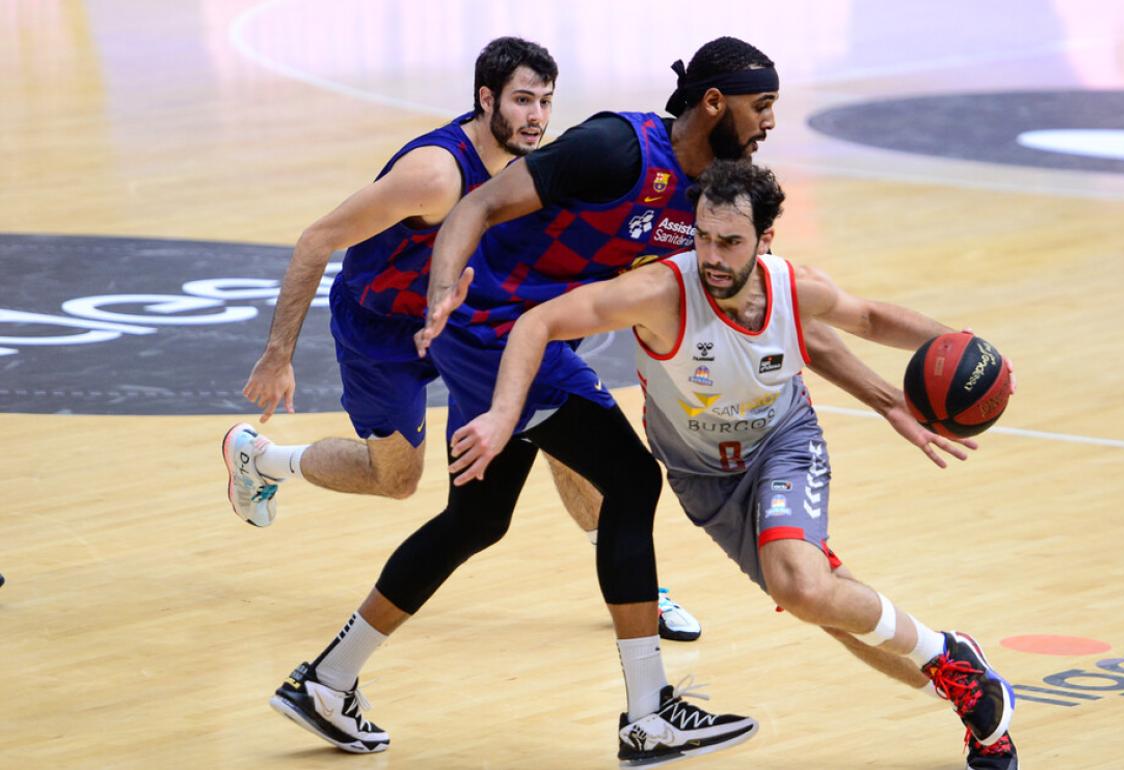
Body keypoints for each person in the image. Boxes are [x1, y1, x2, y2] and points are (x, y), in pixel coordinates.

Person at [262, 37, 779, 765]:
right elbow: (475, 205)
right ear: (716, 103)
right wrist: (443, 293)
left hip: (523, 335)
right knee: (631, 481)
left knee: (476, 519)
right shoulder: (615, 149)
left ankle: (327, 680)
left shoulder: (708, 193)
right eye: (762, 107)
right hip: (492, 330)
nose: (770, 124)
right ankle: (649, 713)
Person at [450, 160, 1020, 770]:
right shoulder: (660, 293)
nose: (713, 256)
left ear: (764, 241)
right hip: (705, 482)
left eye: (731, 242)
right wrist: (505, 413)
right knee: (822, 604)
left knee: (801, 585)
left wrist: (967, 347)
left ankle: (949, 654)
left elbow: (871, 318)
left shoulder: (793, 287)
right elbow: (537, 323)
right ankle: (968, 694)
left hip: (783, 444)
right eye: (702, 237)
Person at [219, 36, 700, 640]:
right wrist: (276, 355)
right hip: (386, 331)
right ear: (485, 98)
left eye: (546, 102)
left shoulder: (536, 165)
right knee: (395, 480)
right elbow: (318, 240)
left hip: (474, 327)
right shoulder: (434, 175)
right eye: (523, 100)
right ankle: (263, 461)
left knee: (563, 433)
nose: (537, 117)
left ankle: (638, 590)